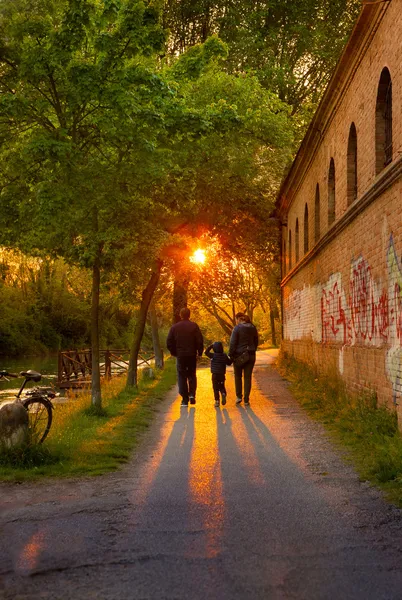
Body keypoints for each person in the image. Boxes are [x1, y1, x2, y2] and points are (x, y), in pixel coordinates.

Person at [166, 307, 204, 407]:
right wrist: (199, 352)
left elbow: (169, 342)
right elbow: (199, 340)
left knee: (181, 376)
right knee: (192, 374)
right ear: (189, 315)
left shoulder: (175, 327)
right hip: (191, 354)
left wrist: (174, 352)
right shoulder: (194, 326)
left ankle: (184, 399)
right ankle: (192, 394)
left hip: (181, 355)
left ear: (180, 315)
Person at [229, 312, 259, 406]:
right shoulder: (253, 327)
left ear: (238, 319)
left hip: (239, 356)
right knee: (247, 377)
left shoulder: (237, 328)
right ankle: (246, 399)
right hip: (251, 355)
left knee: (238, 376)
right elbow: (256, 341)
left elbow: (233, 343)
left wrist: (231, 355)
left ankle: (238, 397)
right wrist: (253, 350)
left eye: (236, 320)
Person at [204, 342, 232, 408]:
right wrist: (232, 358)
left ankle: (217, 401)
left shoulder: (213, 355)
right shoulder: (224, 355)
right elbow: (229, 363)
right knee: (222, 386)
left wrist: (211, 345)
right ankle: (223, 393)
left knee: (215, 388)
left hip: (214, 375)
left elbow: (206, 352)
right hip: (221, 375)